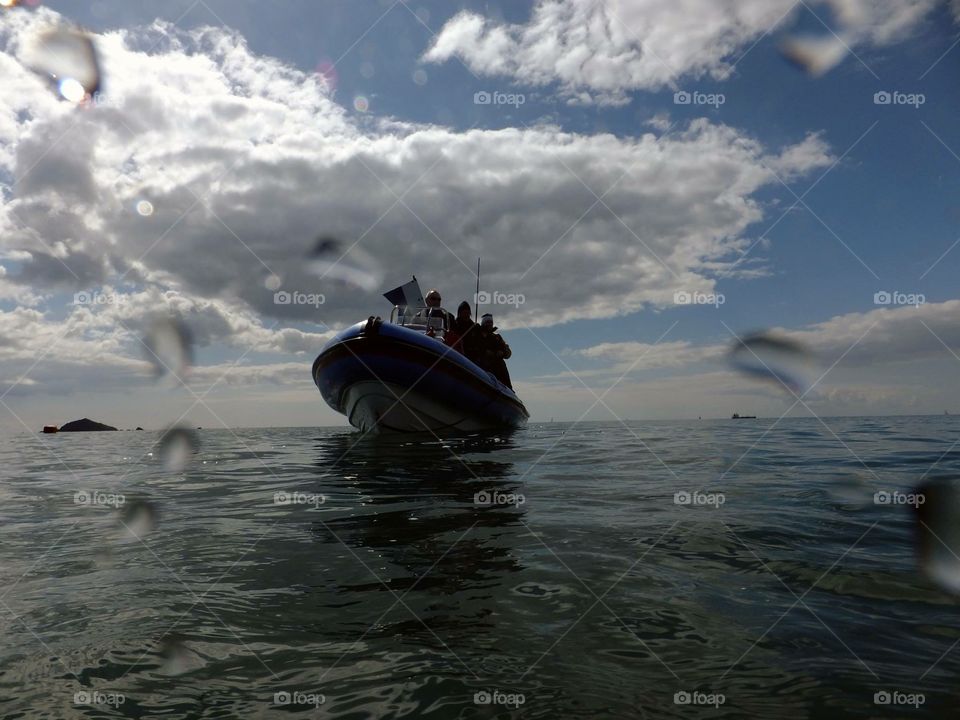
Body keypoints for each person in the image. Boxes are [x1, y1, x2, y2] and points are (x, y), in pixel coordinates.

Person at [476, 313, 513, 388]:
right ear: (483, 323)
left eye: (491, 322)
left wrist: (502, 353)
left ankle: (508, 389)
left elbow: (508, 352)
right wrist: (488, 353)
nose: (489, 324)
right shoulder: (478, 335)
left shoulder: (497, 337)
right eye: (487, 322)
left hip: (500, 369)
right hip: (485, 368)